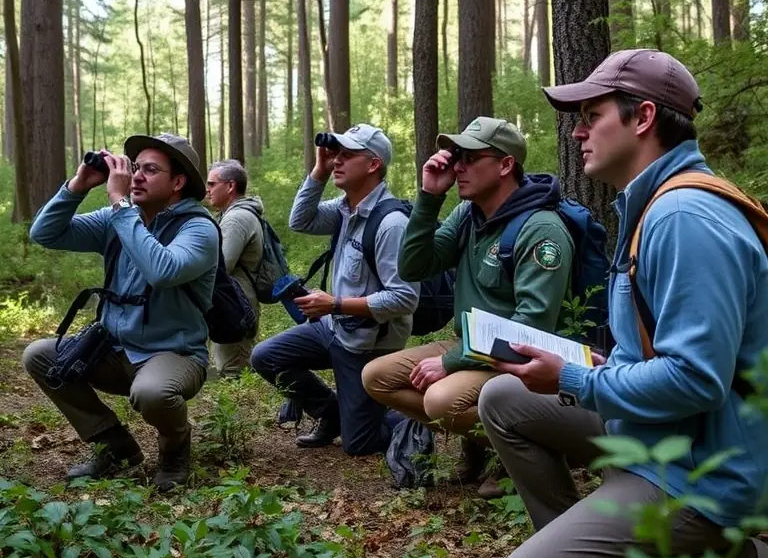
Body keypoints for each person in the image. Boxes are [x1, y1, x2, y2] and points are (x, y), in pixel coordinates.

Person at [478, 49, 768, 558]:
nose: (577, 132)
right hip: (667, 432)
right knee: (504, 398)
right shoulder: (653, 205)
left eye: (592, 116)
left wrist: (577, 380)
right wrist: (592, 368)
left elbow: (697, 380)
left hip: (701, 470)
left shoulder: (685, 217)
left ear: (643, 117)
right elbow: (661, 349)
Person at [363, 117, 574, 498]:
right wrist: (429, 197)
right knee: (377, 376)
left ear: (505, 165)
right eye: (457, 156)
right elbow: (414, 267)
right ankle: (484, 444)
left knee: (441, 400)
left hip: (520, 359)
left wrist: (450, 362)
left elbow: (530, 327)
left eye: (471, 158)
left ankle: (526, 450)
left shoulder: (541, 230)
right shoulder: (468, 216)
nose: (458, 166)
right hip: (473, 346)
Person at [23, 133, 218, 490]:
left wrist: (120, 205)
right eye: (135, 167)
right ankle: (115, 446)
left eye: (150, 170)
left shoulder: (198, 228)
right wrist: (78, 185)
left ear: (178, 182)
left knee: (153, 392)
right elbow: (45, 233)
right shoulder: (117, 219)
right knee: (40, 356)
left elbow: (163, 271)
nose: (137, 176)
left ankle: (175, 452)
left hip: (174, 353)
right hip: (114, 350)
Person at [250, 124, 419, 455]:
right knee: (266, 357)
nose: (337, 160)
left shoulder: (391, 224)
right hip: (334, 328)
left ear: (373, 164)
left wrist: (336, 304)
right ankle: (331, 413)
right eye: (336, 154)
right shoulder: (345, 209)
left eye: (347, 155)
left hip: (367, 345)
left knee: (359, 444)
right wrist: (319, 170)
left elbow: (405, 297)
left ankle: (409, 418)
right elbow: (301, 221)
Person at [206, 159, 264, 378]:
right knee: (231, 366)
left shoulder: (236, 219)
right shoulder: (238, 214)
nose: (207, 190)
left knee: (233, 371)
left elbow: (220, 267)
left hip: (234, 305)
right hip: (236, 301)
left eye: (212, 184)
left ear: (230, 186)